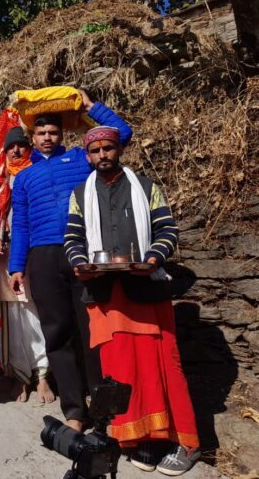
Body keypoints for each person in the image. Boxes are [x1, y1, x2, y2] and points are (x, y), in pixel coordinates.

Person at [65, 126, 199, 475]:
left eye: (108, 149)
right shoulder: (81, 194)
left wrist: (153, 258)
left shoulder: (146, 188)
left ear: (118, 149)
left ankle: (187, 442)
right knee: (120, 371)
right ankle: (140, 439)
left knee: (163, 366)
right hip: (106, 295)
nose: (102, 156)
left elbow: (167, 230)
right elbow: (73, 238)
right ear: (87, 155)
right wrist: (80, 264)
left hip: (145, 290)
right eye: (95, 152)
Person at [8, 90, 133, 431]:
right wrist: (16, 266)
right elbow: (20, 223)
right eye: (41, 133)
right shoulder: (24, 178)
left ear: (62, 136)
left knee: (92, 329)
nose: (47, 138)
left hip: (84, 250)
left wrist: (93, 107)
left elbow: (120, 134)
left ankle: (102, 405)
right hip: (43, 257)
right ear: (32, 138)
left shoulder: (81, 160)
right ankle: (75, 411)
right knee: (57, 332)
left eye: (53, 133)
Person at [0, 125, 54, 404]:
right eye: (11, 147)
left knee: (33, 311)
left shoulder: (39, 170)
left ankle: (42, 374)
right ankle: (18, 375)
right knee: (10, 316)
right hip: (4, 252)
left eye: (21, 146)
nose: (16, 151)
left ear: (30, 148)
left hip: (31, 249)